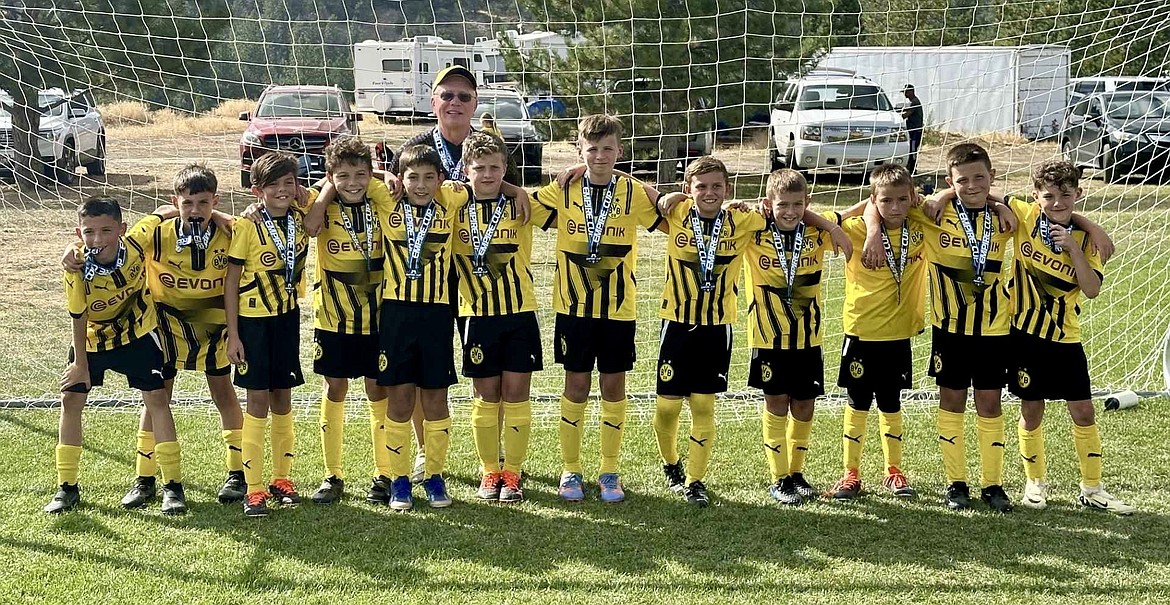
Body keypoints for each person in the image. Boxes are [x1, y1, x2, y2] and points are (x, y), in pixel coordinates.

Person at [61, 166, 243, 507]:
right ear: (176, 202)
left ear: (214, 202)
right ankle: (145, 478)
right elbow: (109, 233)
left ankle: (237, 473)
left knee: (223, 392)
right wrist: (73, 250)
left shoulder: (230, 232)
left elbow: (244, 235)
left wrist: (220, 215)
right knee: (157, 397)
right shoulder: (156, 233)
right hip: (166, 325)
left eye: (204, 203)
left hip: (213, 324)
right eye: (187, 203)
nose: (195, 210)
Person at [532, 114, 663, 503]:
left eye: (608, 149)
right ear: (579, 151)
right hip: (573, 309)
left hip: (619, 311)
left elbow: (672, 218)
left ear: (620, 151)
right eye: (592, 149)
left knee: (613, 385)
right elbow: (520, 202)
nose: (600, 155)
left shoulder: (633, 192)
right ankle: (570, 469)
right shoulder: (564, 189)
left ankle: (609, 470)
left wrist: (664, 194)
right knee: (575, 385)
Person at [46, 197, 187, 515]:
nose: (97, 239)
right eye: (89, 232)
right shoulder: (76, 267)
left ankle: (172, 488)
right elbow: (78, 315)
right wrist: (80, 365)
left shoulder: (138, 240)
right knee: (71, 400)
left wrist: (215, 215)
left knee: (157, 399)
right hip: (92, 340)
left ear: (122, 229)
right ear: (79, 233)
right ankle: (67, 488)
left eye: (106, 230)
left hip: (137, 333)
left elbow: (164, 210)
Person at [1008, 160, 1134, 515]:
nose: (1057, 202)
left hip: (1065, 338)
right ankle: (1034, 483)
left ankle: (1092, 488)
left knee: (1083, 410)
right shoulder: (1024, 215)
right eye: (1048, 195)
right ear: (1037, 196)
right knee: (1032, 410)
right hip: (1024, 336)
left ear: (1078, 194)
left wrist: (1075, 246)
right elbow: (981, 193)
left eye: (1066, 194)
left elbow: (1091, 290)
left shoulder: (1088, 242)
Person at [648, 157, 767, 507]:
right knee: (667, 407)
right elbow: (625, 181)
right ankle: (671, 464)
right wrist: (666, 195)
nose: (709, 192)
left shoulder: (744, 219)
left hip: (717, 329)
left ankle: (695, 480)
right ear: (689, 190)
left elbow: (782, 209)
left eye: (717, 186)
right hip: (677, 325)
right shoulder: (676, 212)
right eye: (701, 186)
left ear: (728, 189)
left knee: (702, 404)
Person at [745, 168, 855, 505]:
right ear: (769, 204)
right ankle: (779, 479)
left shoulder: (817, 232)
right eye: (782, 205)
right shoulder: (754, 232)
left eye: (797, 205)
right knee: (777, 404)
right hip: (768, 339)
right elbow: (728, 212)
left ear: (807, 203)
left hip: (809, 341)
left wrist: (832, 225)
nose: (790, 212)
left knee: (805, 406)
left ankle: (795, 473)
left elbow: (862, 208)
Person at [301, 137, 396, 506]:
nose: (353, 182)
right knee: (334, 389)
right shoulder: (317, 201)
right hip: (334, 318)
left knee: (378, 390)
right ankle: (333, 475)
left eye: (360, 174)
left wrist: (380, 176)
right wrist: (326, 192)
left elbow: (381, 184)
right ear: (329, 176)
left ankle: (384, 474)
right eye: (343, 175)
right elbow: (309, 225)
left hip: (378, 318)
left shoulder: (381, 196)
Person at [374, 145, 470, 510]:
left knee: (435, 398)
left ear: (441, 179)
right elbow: (338, 178)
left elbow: (483, 179)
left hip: (436, 315)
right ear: (401, 177)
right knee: (399, 399)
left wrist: (515, 190)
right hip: (396, 315)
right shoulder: (386, 198)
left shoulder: (452, 198)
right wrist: (385, 175)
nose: (421, 184)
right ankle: (399, 481)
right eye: (412, 176)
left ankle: (434, 475)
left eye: (430, 177)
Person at [453, 131, 545, 504]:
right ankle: (489, 471)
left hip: (520, 312)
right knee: (486, 396)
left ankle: (514, 473)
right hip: (476, 315)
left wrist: (517, 188)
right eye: (480, 168)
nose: (488, 175)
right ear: (466, 169)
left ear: (506, 168)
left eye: (495, 168)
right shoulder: (451, 204)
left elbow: (581, 181)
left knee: (517, 394)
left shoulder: (524, 205)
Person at [826, 164, 927, 501]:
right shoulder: (855, 230)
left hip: (898, 335)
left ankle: (894, 472)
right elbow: (825, 219)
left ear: (912, 198)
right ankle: (850, 474)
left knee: (891, 403)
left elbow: (947, 199)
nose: (894, 208)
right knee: (857, 403)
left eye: (902, 199)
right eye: (885, 201)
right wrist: (871, 228)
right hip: (861, 332)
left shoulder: (921, 225)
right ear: (873, 200)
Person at [226, 152, 311, 517]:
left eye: (288, 183)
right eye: (273, 185)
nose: (282, 190)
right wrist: (234, 335)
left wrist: (303, 193)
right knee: (257, 401)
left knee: (283, 398)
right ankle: (254, 487)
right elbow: (230, 283)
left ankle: (282, 478)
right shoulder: (246, 226)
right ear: (257, 190)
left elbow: (323, 195)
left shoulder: (302, 218)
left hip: (286, 318)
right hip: (252, 324)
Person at [901, 85, 924, 174]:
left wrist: (896, 116)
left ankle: (913, 169)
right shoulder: (913, 102)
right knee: (910, 149)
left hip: (915, 131)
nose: (905, 94)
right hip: (912, 130)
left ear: (911, 91)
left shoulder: (915, 102)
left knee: (913, 150)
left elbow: (907, 114)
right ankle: (911, 167)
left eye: (906, 92)